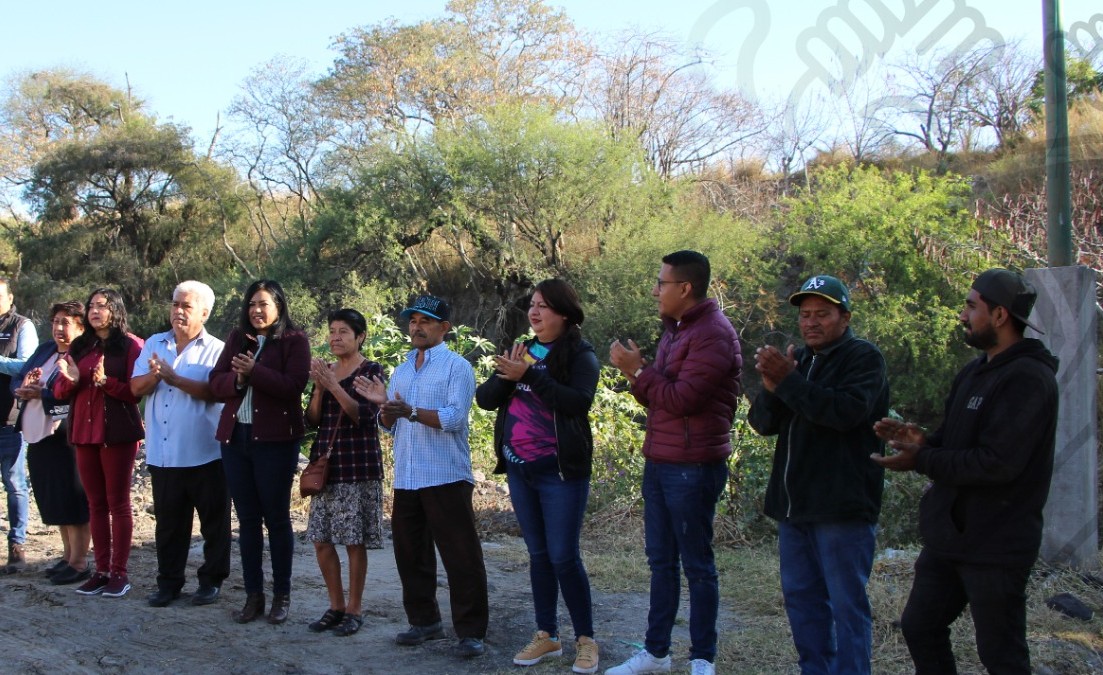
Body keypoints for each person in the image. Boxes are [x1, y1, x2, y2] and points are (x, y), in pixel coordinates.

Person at [872, 268, 1058, 674]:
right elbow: (954, 444)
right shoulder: (974, 372)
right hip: (950, 538)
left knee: (1001, 654)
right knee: (919, 627)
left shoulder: (1028, 378)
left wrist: (920, 459)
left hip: (997, 543)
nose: (962, 315)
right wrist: (918, 442)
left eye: (972, 306)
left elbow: (997, 463)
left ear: (1000, 316)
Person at [607, 250, 743, 675]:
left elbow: (683, 400)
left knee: (697, 566)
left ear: (685, 288)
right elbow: (658, 396)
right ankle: (656, 653)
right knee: (661, 562)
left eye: (661, 283)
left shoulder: (713, 334)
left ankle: (702, 658)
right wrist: (639, 375)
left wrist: (638, 371)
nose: (655, 290)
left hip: (694, 466)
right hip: (662, 461)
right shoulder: (676, 331)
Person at [747, 274, 889, 675]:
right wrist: (774, 386)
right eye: (805, 315)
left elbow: (844, 413)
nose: (811, 322)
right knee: (803, 603)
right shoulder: (801, 360)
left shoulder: (863, 358)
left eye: (822, 314)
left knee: (847, 607)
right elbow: (761, 423)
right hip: (795, 510)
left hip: (841, 510)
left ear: (844, 317)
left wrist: (789, 381)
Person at [475, 279, 602, 674]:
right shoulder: (524, 350)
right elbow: (485, 399)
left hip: (560, 473)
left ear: (564, 313)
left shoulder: (581, 355)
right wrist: (509, 374)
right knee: (539, 555)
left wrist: (528, 375)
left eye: (544, 306)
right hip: (520, 469)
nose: (534, 312)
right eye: (532, 304)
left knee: (564, 556)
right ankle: (546, 635)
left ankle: (586, 640)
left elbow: (577, 403)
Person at [355, 294, 489, 658]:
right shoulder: (401, 370)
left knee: (460, 556)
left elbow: (453, 418)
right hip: (408, 477)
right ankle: (424, 621)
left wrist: (409, 410)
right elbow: (390, 427)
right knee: (410, 554)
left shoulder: (457, 367)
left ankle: (471, 631)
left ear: (444, 328)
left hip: (445, 474)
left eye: (426, 321)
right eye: (413, 320)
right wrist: (384, 409)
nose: (417, 327)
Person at [209, 280, 310, 625]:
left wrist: (254, 373)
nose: (256, 310)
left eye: (264, 304)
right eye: (252, 304)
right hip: (236, 439)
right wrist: (237, 382)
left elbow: (293, 387)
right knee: (248, 520)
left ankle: (282, 595)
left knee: (277, 518)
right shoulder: (238, 338)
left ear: (279, 306)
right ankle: (254, 595)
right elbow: (215, 380)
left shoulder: (295, 341)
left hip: (276, 441)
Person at [130, 281, 231, 608]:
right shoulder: (154, 344)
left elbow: (217, 392)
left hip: (205, 451)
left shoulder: (217, 349)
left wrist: (175, 379)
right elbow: (134, 388)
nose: (178, 312)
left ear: (204, 312)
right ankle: (169, 583)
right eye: (175, 304)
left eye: (186, 306)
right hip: (163, 452)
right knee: (169, 525)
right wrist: (158, 377)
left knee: (214, 523)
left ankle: (211, 581)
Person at [52, 288, 144, 598]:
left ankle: (119, 573)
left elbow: (136, 392)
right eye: (91, 305)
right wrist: (71, 379)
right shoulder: (81, 345)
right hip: (83, 433)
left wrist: (108, 384)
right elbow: (61, 392)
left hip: (117, 433)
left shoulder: (131, 346)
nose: (94, 311)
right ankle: (100, 571)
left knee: (118, 503)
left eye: (102, 306)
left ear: (115, 310)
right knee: (95, 504)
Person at [303, 308, 386, 638]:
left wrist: (334, 386)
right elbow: (312, 421)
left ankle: (354, 609)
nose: (335, 337)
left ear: (360, 336)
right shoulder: (326, 370)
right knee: (320, 540)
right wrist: (321, 388)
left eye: (343, 332)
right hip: (327, 466)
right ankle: (335, 606)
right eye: (332, 331)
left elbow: (364, 417)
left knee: (354, 541)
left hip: (358, 466)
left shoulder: (371, 370)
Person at [12, 300, 90, 585]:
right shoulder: (45, 350)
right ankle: (68, 557)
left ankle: (80, 562)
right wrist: (22, 388)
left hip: (68, 437)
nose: (59, 328)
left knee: (73, 500)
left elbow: (76, 392)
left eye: (66, 322)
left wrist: (40, 395)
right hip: (39, 435)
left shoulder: (82, 355)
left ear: (81, 328)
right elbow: (20, 375)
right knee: (54, 498)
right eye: (56, 321)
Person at [0, 277, 37, 574]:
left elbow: (27, 363)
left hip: (8, 419)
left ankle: (17, 545)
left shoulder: (21, 326)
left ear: (10, 297)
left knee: (15, 484)